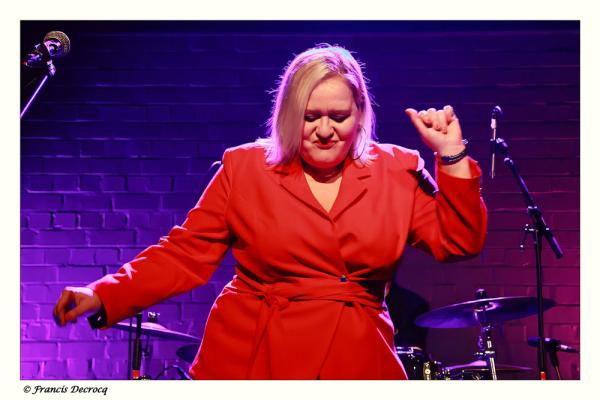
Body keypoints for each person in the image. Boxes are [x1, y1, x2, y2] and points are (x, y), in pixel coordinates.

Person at [53, 44, 487, 379]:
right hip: (254, 355)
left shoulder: (397, 168)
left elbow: (458, 241)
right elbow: (183, 254)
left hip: (354, 356)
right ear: (286, 115)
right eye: (309, 115)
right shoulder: (245, 168)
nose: (323, 130)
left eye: (338, 115)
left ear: (360, 113)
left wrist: (451, 157)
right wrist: (104, 293)